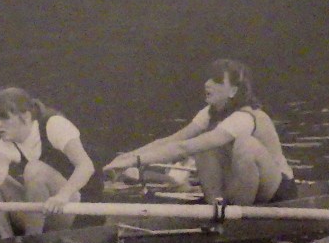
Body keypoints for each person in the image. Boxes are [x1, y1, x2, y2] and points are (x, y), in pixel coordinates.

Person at [103, 58, 296, 206]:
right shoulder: (209, 112)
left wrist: (135, 162)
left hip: (276, 190)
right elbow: (174, 140)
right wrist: (127, 157)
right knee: (204, 144)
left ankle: (234, 215)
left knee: (244, 145)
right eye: (209, 78)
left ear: (233, 91)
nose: (207, 84)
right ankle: (215, 205)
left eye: (217, 80)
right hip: (244, 183)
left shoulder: (245, 117)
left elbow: (184, 148)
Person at [0, 88, 100, 237]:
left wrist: (62, 196)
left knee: (34, 168)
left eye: (3, 118)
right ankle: (7, 241)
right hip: (41, 210)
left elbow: (86, 166)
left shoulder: (55, 125)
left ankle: (32, 241)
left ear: (26, 116)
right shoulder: (7, 141)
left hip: (73, 212)